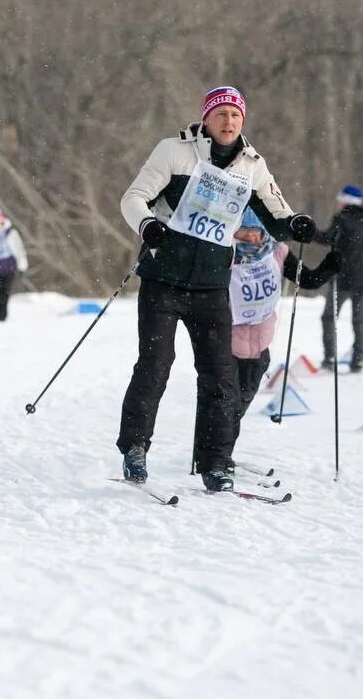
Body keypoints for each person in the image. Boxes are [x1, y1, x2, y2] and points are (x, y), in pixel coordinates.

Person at [118, 85, 315, 493]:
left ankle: (214, 462)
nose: (229, 122)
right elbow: (133, 198)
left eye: (236, 116)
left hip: (210, 286)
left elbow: (277, 214)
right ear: (206, 118)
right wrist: (148, 225)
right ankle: (135, 448)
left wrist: (296, 224)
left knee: (220, 376)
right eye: (221, 114)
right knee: (156, 364)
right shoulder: (173, 151)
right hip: (163, 281)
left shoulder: (252, 166)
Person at [211, 209, 339, 470]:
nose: (253, 238)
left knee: (238, 406)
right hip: (227, 346)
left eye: (258, 232)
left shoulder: (277, 251)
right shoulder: (223, 255)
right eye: (245, 233)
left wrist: (331, 264)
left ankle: (219, 451)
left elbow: (308, 280)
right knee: (226, 405)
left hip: (260, 349)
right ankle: (216, 457)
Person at [314, 184, 363, 372]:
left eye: (340, 199)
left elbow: (328, 238)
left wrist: (309, 232)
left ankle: (329, 358)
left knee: (329, 317)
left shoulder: (341, 218)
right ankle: (358, 360)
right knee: (359, 320)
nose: (338, 202)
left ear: (345, 200)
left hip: (344, 278)